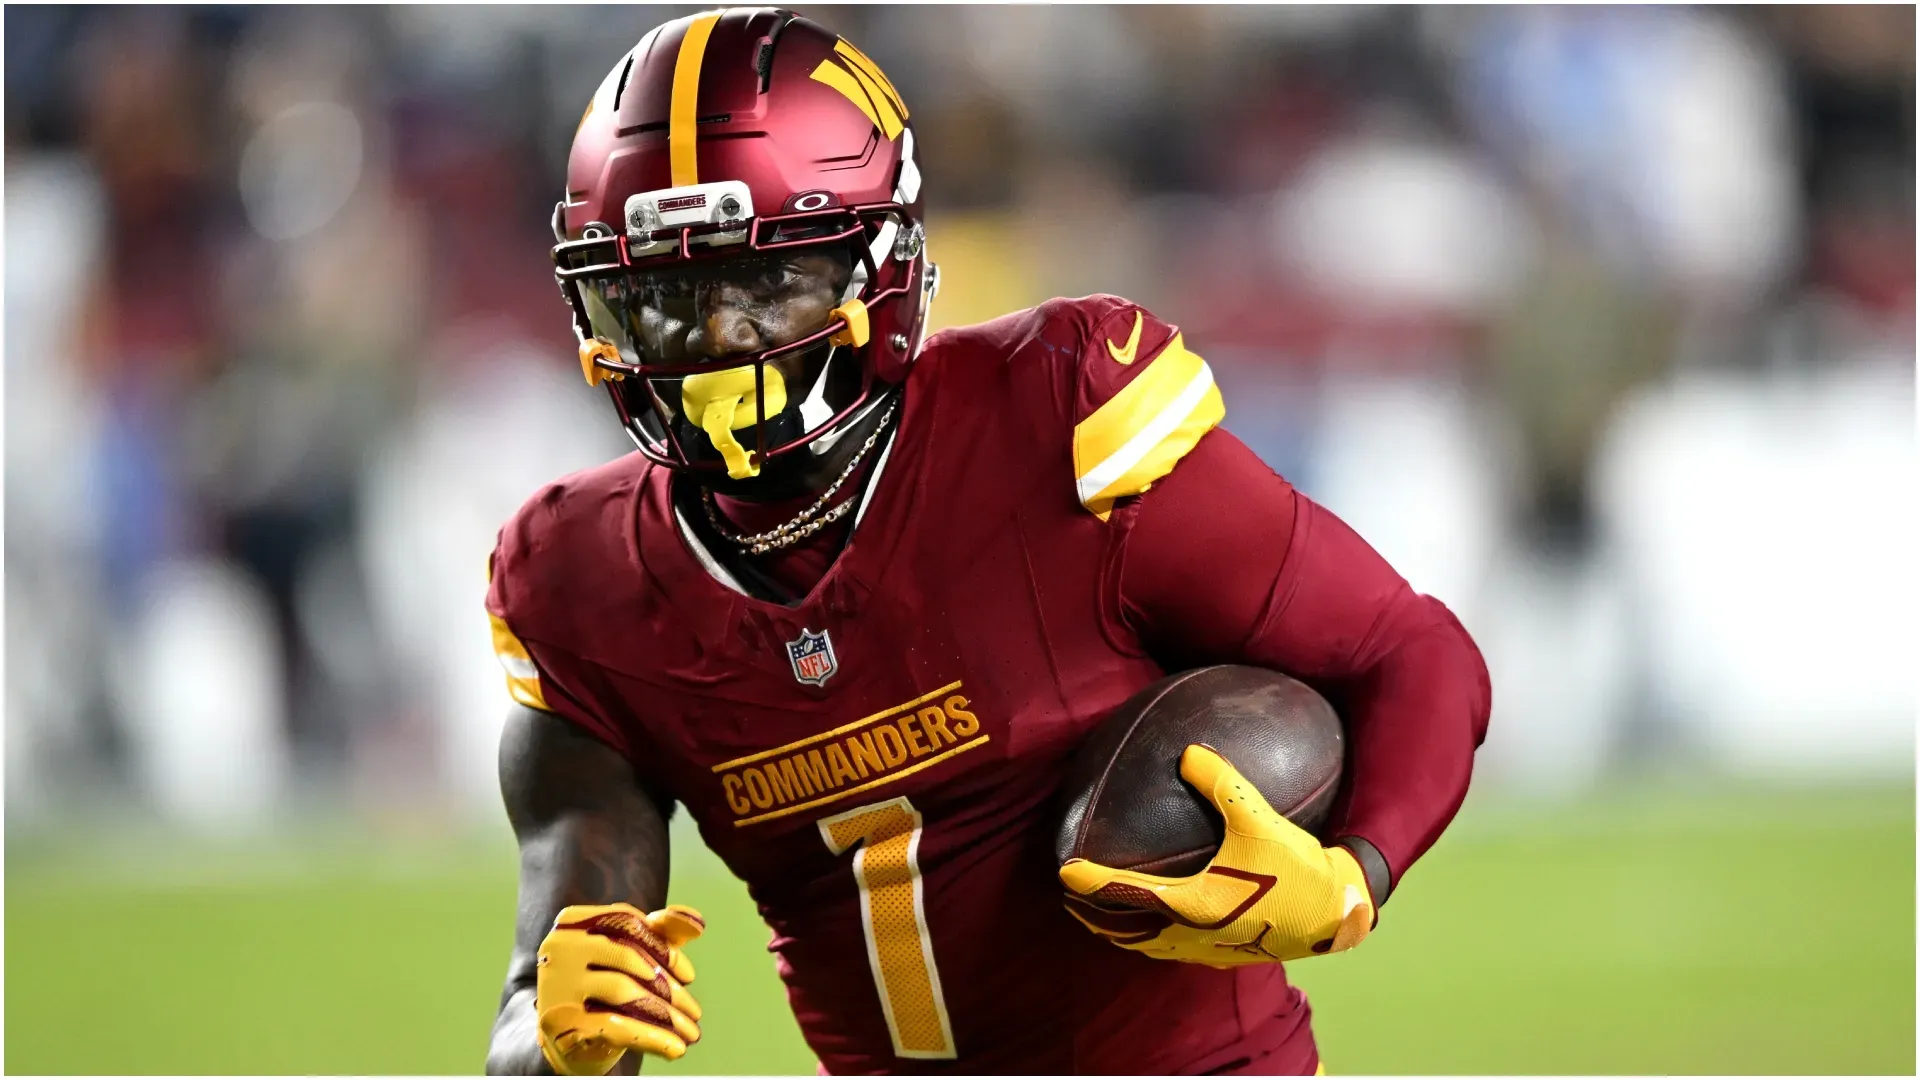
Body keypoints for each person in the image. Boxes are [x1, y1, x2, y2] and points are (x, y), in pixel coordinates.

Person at [483, 9, 1491, 1076]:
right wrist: (555, 1043)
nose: (719, 335)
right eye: (665, 295)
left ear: (881, 264)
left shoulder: (1054, 427)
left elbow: (1411, 651)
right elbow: (536, 1000)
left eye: (767, 279)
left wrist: (1353, 875)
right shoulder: (581, 584)